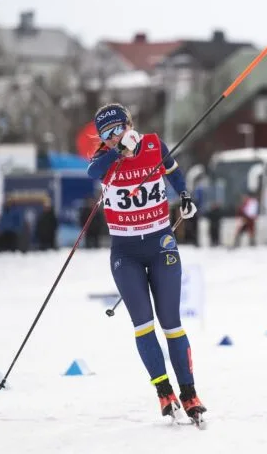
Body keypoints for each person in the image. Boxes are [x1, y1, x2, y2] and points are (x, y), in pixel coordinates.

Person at [85, 103, 205, 423]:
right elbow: (92, 173)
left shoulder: (153, 144)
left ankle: (189, 393)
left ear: (129, 124)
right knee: (143, 324)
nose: (112, 138)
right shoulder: (104, 160)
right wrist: (118, 153)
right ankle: (163, 392)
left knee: (171, 323)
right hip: (125, 254)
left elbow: (173, 170)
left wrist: (185, 195)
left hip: (161, 244)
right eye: (106, 135)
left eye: (117, 130)